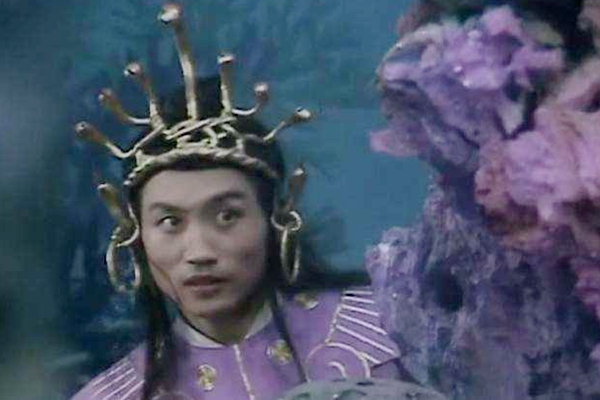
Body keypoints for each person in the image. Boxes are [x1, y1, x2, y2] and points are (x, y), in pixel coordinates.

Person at [70, 3, 415, 400]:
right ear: (135, 236)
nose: (199, 252)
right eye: (170, 222)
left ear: (276, 218)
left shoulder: (383, 330)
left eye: (227, 215)